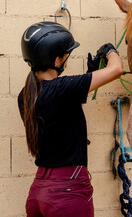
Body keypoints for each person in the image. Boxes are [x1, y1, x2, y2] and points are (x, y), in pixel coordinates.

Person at [17, 21, 123, 217]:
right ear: (56, 61)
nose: (68, 59)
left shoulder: (25, 95)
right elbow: (116, 69)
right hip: (67, 192)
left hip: (38, 191)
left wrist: (90, 75)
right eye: (67, 55)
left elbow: (62, 111)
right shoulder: (62, 87)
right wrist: (110, 52)